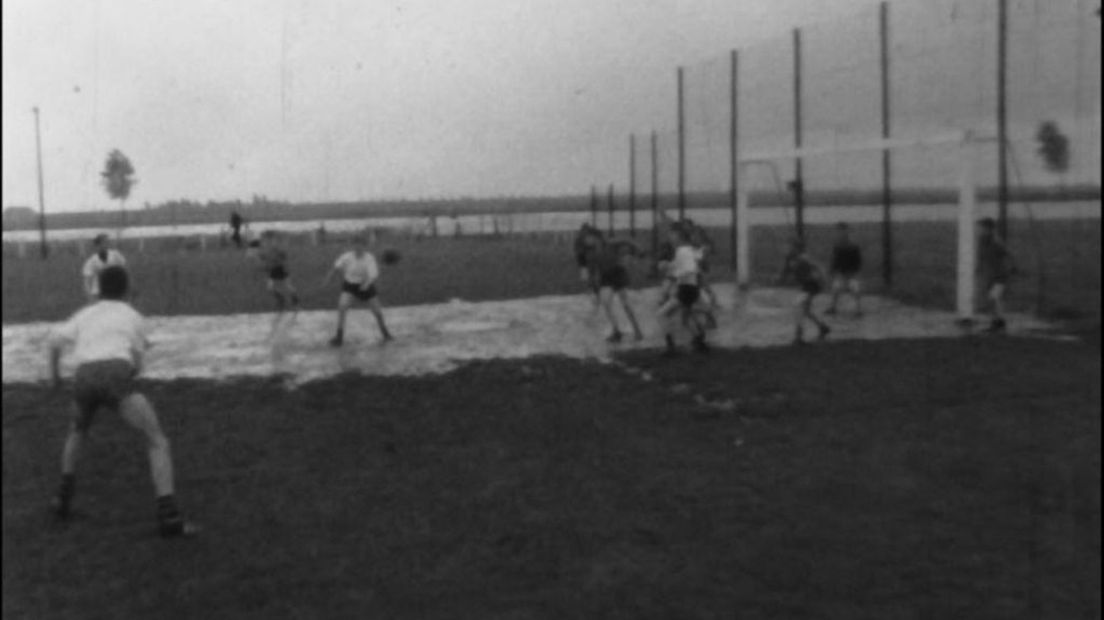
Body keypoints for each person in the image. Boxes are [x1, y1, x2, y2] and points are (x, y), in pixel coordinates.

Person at [47, 265, 198, 538]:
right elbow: (137, 365)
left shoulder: (84, 314)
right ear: (126, 288)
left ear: (99, 288)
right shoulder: (133, 316)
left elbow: (54, 343)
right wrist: (121, 382)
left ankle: (62, 498)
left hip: (83, 377)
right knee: (157, 440)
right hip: (115, 374)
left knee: (77, 432)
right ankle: (169, 516)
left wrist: (56, 377)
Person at [322, 234, 393, 347]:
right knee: (342, 306)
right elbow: (335, 268)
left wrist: (366, 284)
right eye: (356, 245)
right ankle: (339, 337)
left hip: (366, 286)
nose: (358, 247)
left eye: (360, 245)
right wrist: (328, 279)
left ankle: (385, 333)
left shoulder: (369, 258)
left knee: (378, 312)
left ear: (364, 246)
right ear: (353, 246)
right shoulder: (346, 257)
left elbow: (373, 275)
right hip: (350, 286)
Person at [658, 226, 710, 355]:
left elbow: (688, 269)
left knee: (661, 314)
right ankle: (699, 341)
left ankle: (671, 347)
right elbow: (695, 261)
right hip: (689, 288)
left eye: (672, 235)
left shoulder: (682, 251)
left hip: (687, 289)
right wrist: (670, 267)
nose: (670, 238)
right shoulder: (686, 250)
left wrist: (669, 268)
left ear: (678, 236)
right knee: (685, 318)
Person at [590, 236, 644, 343]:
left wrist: (638, 248)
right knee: (606, 302)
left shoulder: (610, 244)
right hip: (606, 278)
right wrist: (596, 291)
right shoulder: (592, 253)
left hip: (617, 274)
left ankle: (637, 330)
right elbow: (595, 272)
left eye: (594, 239)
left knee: (625, 304)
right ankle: (616, 331)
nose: (592, 242)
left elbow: (626, 240)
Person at [778, 238, 831, 345]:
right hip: (805, 286)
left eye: (792, 247)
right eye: (790, 247)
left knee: (798, 306)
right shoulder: (790, 259)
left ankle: (799, 335)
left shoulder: (803, 259)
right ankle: (822, 327)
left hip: (812, 286)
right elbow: (785, 272)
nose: (788, 249)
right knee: (806, 311)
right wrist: (780, 279)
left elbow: (818, 268)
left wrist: (823, 279)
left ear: (797, 249)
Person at [257, 230, 300, 336]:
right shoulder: (267, 248)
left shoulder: (274, 246)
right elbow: (265, 259)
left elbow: (282, 256)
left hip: (280, 269)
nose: (264, 241)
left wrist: (279, 261)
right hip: (273, 270)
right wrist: (264, 262)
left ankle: (294, 303)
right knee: (271, 288)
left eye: (266, 238)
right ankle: (282, 301)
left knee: (288, 287)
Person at [977, 217, 1016, 333]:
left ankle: (999, 322)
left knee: (994, 298)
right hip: (990, 275)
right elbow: (981, 256)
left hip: (1000, 274)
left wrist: (1013, 267)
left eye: (983, 228)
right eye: (981, 228)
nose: (981, 230)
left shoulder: (996, 242)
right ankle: (996, 321)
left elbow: (1009, 254)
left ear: (990, 229)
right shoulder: (982, 241)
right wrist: (979, 266)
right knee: (991, 299)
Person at [826, 222, 864, 317]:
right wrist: (833, 271)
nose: (841, 233)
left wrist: (853, 274)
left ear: (847, 232)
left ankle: (858, 309)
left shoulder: (853, 246)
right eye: (839, 231)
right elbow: (835, 261)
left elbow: (858, 262)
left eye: (843, 231)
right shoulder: (837, 246)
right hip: (841, 274)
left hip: (852, 273)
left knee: (855, 288)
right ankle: (833, 307)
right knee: (835, 287)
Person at [81, 233, 127, 301]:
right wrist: (90, 297)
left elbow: (124, 271)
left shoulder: (116, 255)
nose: (106, 245)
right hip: (98, 293)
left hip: (115, 292)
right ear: (97, 245)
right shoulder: (91, 262)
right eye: (104, 243)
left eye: (107, 242)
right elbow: (87, 282)